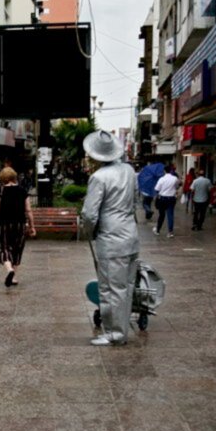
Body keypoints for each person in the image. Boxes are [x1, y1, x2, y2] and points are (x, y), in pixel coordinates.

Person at [81, 130, 140, 347]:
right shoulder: (129, 171)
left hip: (111, 239)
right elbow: (134, 201)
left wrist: (89, 231)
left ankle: (115, 334)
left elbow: (90, 214)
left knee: (110, 288)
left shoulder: (98, 177)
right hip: (130, 235)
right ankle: (121, 330)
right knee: (126, 287)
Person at [0, 165, 35, 287]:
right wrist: (32, 226)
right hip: (20, 224)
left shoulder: (0, 190)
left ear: (2, 178)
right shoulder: (22, 191)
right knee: (17, 248)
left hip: (4, 224)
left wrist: (3, 209)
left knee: (4, 247)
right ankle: (14, 277)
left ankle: (9, 269)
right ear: (14, 177)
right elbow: (28, 210)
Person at [153, 165, 180, 238]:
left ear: (164, 171)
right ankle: (170, 232)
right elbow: (177, 186)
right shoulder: (175, 178)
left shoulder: (161, 179)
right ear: (170, 170)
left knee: (161, 215)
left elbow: (156, 189)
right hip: (171, 198)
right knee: (170, 215)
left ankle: (158, 230)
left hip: (162, 199)